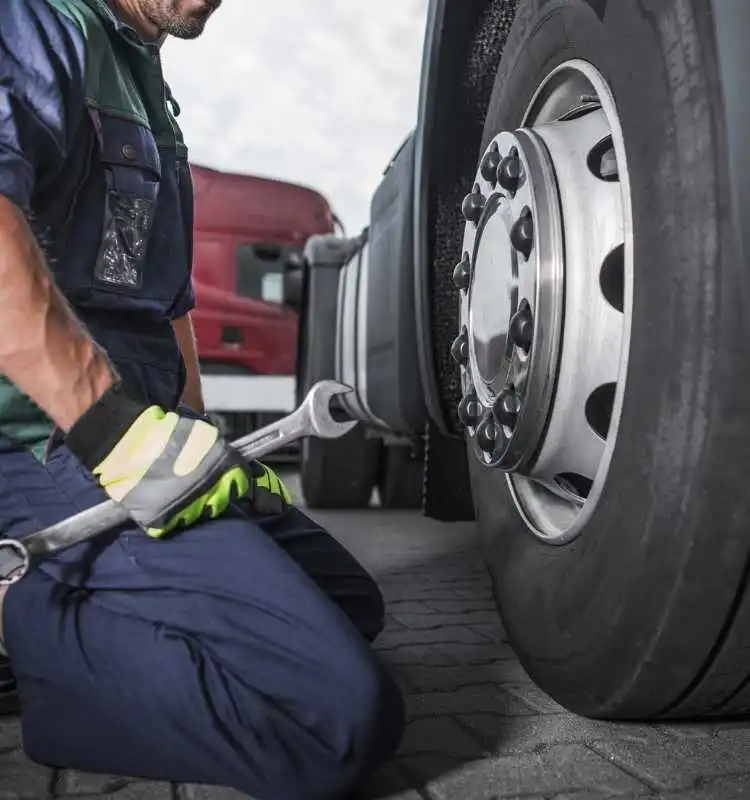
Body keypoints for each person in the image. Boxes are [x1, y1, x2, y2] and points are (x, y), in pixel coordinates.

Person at [0, 1, 405, 797]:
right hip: (47, 442)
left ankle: (84, 631)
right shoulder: (40, 23)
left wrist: (202, 437)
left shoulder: (148, 84)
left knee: (349, 602)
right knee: (337, 715)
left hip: (134, 430)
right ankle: (26, 630)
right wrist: (113, 432)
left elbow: (168, 302)